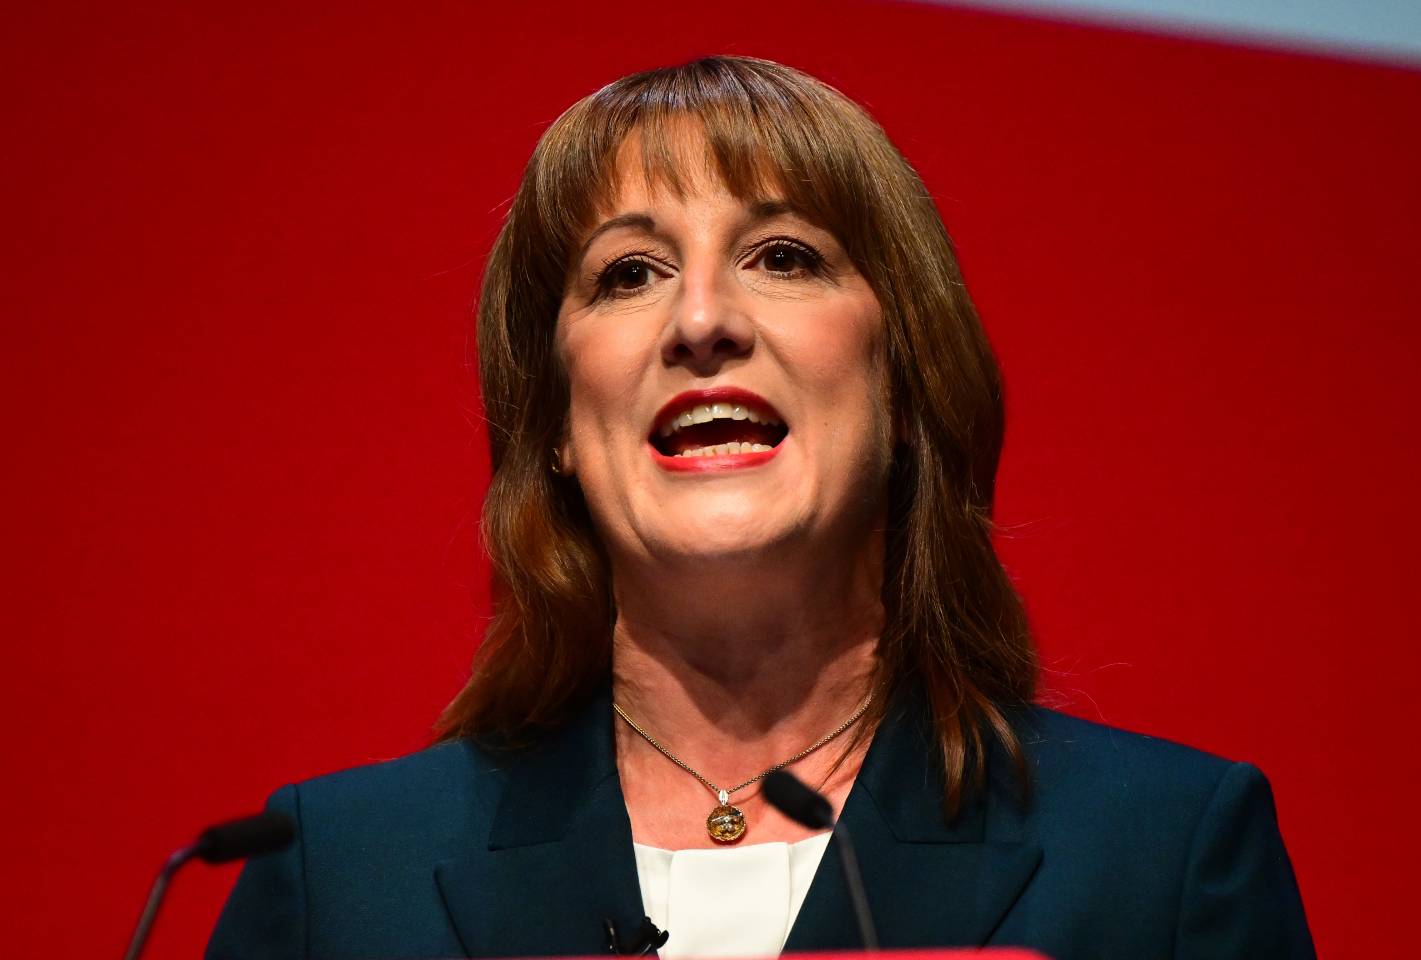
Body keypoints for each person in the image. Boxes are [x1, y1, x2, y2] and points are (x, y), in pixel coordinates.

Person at [207, 56, 1315, 960]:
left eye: (782, 257)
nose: (701, 320)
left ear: (902, 377)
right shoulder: (338, 879)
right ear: (552, 415)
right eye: (628, 273)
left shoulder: (1159, 860)